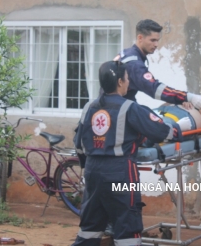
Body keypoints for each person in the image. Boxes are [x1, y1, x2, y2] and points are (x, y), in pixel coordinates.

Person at [72, 61, 189, 246]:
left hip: (93, 172)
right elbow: (160, 131)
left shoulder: (89, 107)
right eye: (127, 79)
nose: (128, 83)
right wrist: (179, 128)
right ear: (119, 82)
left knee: (90, 227)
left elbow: (78, 144)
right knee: (127, 226)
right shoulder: (130, 108)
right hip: (120, 173)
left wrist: (86, 169)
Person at [114, 19, 201, 110]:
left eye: (157, 40)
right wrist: (188, 97)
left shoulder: (127, 53)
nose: (156, 45)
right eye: (152, 40)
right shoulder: (134, 64)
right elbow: (155, 89)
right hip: (119, 110)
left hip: (115, 106)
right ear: (140, 38)